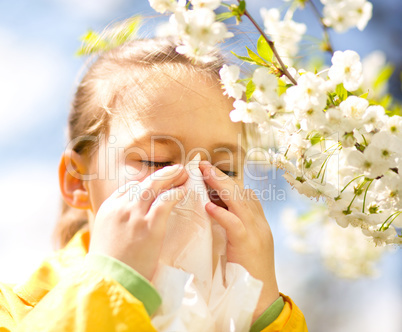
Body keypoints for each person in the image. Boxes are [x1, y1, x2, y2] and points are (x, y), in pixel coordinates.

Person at [0, 36, 308, 331]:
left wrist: (262, 311)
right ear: (79, 181)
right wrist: (112, 283)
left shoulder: (242, 317)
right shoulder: (12, 311)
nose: (195, 187)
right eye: (156, 161)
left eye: (224, 170)